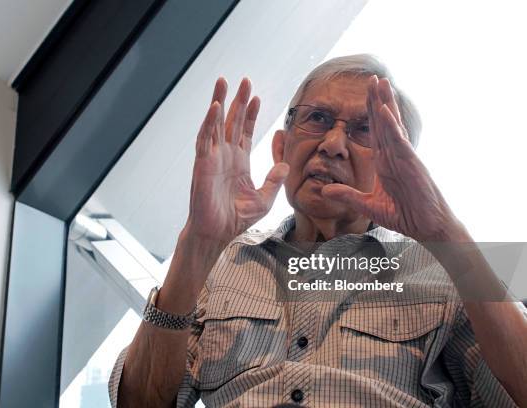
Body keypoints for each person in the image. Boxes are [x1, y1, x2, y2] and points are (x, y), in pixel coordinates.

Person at [108, 54, 527, 407]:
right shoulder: (221, 265)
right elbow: (138, 401)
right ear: (280, 148)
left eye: (364, 130)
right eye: (317, 118)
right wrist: (196, 245)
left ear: (401, 167)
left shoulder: (446, 276)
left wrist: (446, 234)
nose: (332, 143)